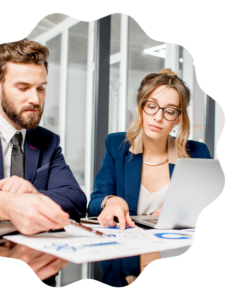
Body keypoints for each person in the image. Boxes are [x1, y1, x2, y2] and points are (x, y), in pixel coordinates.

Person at [0, 38, 87, 235]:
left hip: (35, 255)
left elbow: (76, 200)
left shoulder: (48, 141)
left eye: (41, 88)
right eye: (23, 88)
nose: (35, 99)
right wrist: (3, 203)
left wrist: (34, 194)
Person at [88, 68, 212, 230]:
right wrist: (110, 201)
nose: (158, 117)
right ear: (141, 107)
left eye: (169, 111)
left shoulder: (198, 153)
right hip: (130, 246)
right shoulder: (117, 145)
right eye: (152, 106)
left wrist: (181, 212)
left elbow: (208, 203)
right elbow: (94, 203)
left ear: (177, 119)